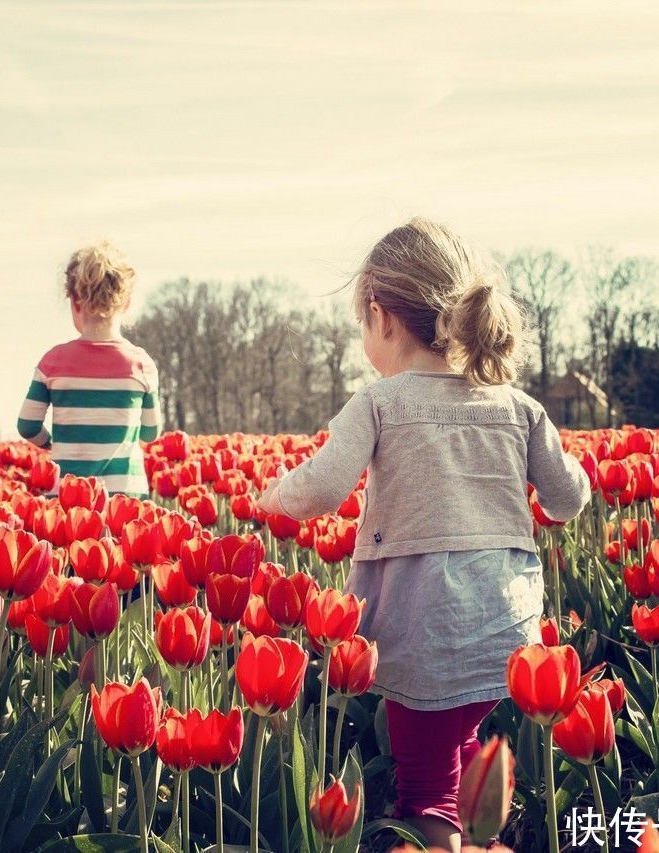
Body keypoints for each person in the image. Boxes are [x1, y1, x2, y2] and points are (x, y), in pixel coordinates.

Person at [258, 218, 590, 852]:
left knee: (428, 788)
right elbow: (569, 498)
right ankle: (480, 837)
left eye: (363, 323)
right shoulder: (517, 406)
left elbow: (321, 490)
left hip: (425, 626)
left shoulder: (380, 402)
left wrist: (273, 494)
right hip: (508, 630)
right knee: (464, 748)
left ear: (381, 317)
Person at [17, 240, 161, 497]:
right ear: (126, 302)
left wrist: (53, 444)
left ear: (74, 302)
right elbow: (151, 432)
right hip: (125, 494)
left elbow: (27, 425)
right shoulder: (141, 364)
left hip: (67, 494)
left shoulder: (53, 362)